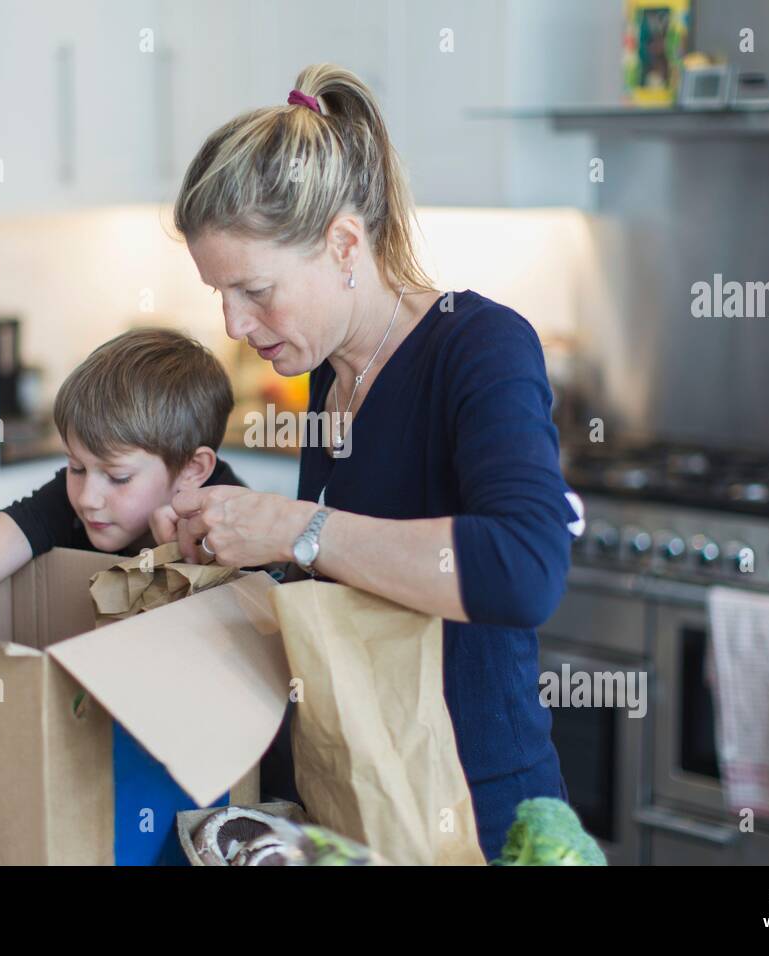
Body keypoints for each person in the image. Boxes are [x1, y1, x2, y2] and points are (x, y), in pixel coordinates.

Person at [160, 64, 584, 859]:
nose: (234, 322)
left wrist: (295, 527)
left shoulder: (479, 345)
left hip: (476, 812)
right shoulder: (329, 371)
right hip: (363, 799)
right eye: (219, 294)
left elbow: (527, 569)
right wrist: (225, 522)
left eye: (253, 290)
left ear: (344, 244)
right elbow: (359, 574)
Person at [0, 328, 246, 642]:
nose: (88, 498)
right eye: (75, 466)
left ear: (192, 469)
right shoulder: (69, 499)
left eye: (118, 477)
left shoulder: (234, 520)